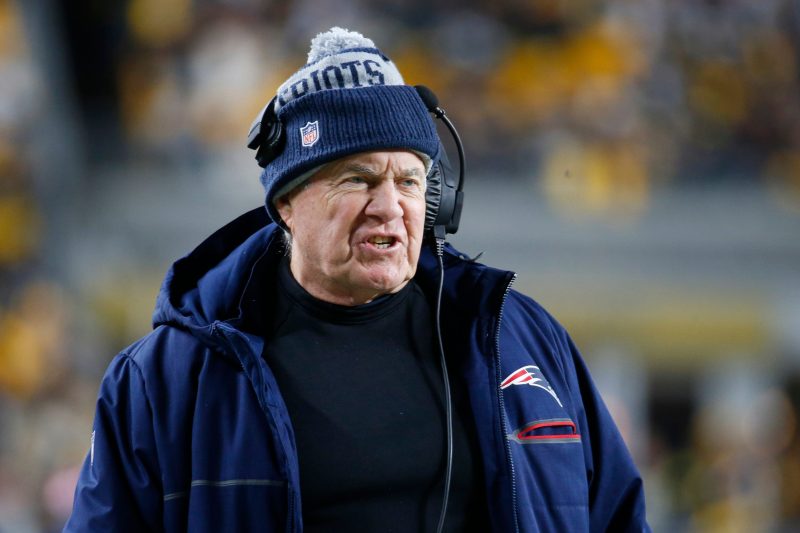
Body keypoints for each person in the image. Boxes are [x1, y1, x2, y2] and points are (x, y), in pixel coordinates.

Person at [65, 27, 649, 532]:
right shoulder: (164, 380)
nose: (389, 207)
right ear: (286, 203)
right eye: (357, 180)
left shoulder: (522, 340)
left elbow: (617, 514)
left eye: (409, 182)